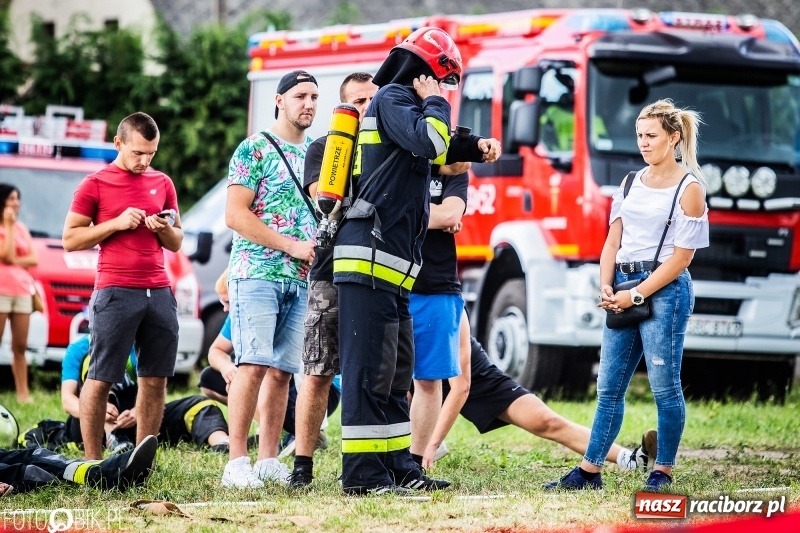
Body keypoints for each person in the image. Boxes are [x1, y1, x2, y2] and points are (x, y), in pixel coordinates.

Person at [333, 27, 500, 495]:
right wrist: (437, 102)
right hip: (368, 259)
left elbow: (436, 146)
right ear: (421, 72)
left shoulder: (401, 108)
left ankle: (397, 466)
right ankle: (362, 477)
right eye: (437, 79)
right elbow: (427, 139)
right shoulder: (391, 99)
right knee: (368, 374)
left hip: (393, 268)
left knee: (394, 373)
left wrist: (476, 147)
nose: (440, 88)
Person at [546, 98, 709, 492]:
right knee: (609, 386)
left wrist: (636, 295)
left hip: (664, 291)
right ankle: (589, 471)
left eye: (651, 136)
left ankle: (662, 471)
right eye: (639, 135)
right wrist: (607, 283)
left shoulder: (690, 189)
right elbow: (612, 240)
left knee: (664, 386)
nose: (643, 142)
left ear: (674, 137)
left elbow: (681, 260)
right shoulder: (630, 182)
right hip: (624, 284)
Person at [62, 112, 182, 461]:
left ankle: (143, 459)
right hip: (115, 290)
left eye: (151, 154)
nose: (145, 161)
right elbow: (70, 239)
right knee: (100, 378)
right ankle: (93, 461)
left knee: (155, 378)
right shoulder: (94, 183)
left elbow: (176, 241)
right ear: (119, 144)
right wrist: (114, 223)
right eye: (138, 153)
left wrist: (163, 228)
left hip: (159, 290)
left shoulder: (163, 183)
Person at [222, 70, 318, 489]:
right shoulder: (254, 149)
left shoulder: (318, 152)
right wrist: (291, 245)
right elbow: (236, 215)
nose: (309, 104)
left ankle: (267, 459)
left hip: (303, 278)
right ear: (279, 100)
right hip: (257, 271)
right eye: (300, 96)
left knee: (282, 370)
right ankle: (236, 461)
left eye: (315, 96)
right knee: (253, 364)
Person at [417, 314, 657, 474]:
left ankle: (631, 459)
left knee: (547, 421)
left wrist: (434, 441)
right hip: (419, 377)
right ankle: (406, 459)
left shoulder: (445, 295)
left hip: (472, 374)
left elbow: (462, 386)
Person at [288, 72, 378, 490]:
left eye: (372, 101)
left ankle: (371, 462)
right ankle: (302, 466)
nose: (366, 108)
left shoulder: (387, 149)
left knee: (376, 373)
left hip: (378, 270)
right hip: (331, 272)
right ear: (343, 107)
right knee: (319, 371)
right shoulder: (326, 148)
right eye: (358, 102)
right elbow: (322, 196)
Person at [61, 334, 231, 454]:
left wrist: (138, 412)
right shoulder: (79, 348)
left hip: (139, 420)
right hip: (92, 424)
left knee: (200, 404)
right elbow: (68, 400)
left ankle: (222, 443)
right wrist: (97, 409)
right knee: (96, 359)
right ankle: (114, 437)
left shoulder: (142, 346)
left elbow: (155, 393)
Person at [0, 183, 38, 403]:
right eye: (12, 198)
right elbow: (5, 255)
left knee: (20, 346)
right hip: (2, 291)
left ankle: (23, 393)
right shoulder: (9, 226)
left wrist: (15, 260)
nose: (16, 203)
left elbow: (33, 259)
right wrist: (8, 225)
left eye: (18, 198)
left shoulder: (22, 227)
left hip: (22, 291)